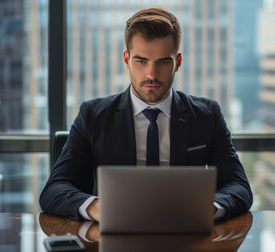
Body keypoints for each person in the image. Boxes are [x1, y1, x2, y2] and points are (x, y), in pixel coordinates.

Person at [39, 7, 253, 222]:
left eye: (163, 62)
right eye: (141, 61)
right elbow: (55, 189)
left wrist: (210, 209)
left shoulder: (207, 116)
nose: (151, 74)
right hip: (115, 233)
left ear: (177, 62)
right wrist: (97, 208)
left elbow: (238, 186)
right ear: (126, 60)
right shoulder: (93, 116)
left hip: (186, 231)